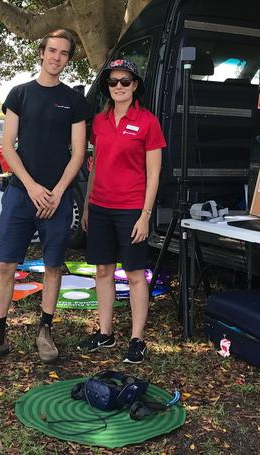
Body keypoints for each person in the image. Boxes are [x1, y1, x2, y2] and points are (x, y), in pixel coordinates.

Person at [0, 29, 91, 366]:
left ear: (68, 59)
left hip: (57, 198)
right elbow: (8, 146)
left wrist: (55, 192)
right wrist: (32, 186)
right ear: (41, 52)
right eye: (52, 50)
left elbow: (78, 153)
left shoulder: (74, 100)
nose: (56, 57)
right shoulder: (19, 94)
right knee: (6, 265)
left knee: (53, 267)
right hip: (21, 195)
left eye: (64, 53)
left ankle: (45, 332)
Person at [78, 58, 166, 364]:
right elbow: (94, 166)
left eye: (125, 82)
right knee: (102, 270)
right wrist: (88, 205)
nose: (119, 87)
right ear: (107, 87)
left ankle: (137, 339)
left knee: (134, 274)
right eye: (113, 82)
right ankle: (105, 332)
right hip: (100, 206)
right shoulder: (99, 123)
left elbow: (154, 173)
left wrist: (145, 214)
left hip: (131, 209)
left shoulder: (148, 122)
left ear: (135, 85)